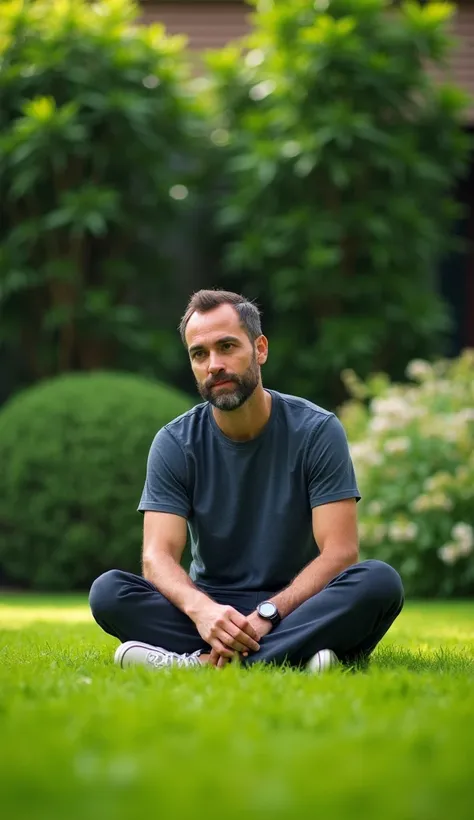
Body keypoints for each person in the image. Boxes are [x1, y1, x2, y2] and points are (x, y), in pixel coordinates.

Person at [89, 289, 404, 673]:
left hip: (297, 604)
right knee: (110, 591)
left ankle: (202, 664)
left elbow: (340, 552)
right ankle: (300, 656)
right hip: (212, 610)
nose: (214, 365)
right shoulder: (175, 442)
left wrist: (268, 614)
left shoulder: (317, 430)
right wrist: (203, 611)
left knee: (378, 582)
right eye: (199, 354)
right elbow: (157, 557)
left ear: (260, 349)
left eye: (227, 347)